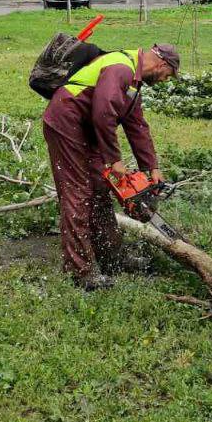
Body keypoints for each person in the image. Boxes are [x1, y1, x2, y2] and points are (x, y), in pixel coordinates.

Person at [42, 42, 180, 290]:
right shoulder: (121, 68)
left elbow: (137, 126)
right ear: (161, 64)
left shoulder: (133, 83)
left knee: (100, 190)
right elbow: (103, 112)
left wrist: (152, 168)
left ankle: (111, 256)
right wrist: (114, 160)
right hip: (66, 122)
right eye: (167, 75)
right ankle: (80, 272)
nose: (164, 80)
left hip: (86, 129)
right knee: (78, 194)